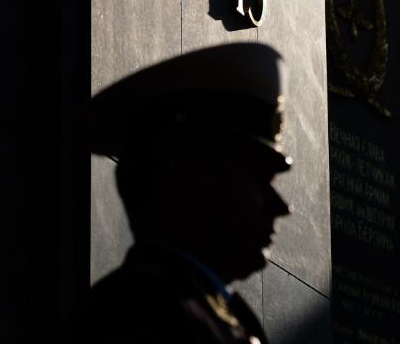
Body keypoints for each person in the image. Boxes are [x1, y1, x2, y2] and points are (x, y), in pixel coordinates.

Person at [73, 43, 293, 343]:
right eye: (256, 179)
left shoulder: (216, 317)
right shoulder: (137, 319)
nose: (281, 206)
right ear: (181, 176)